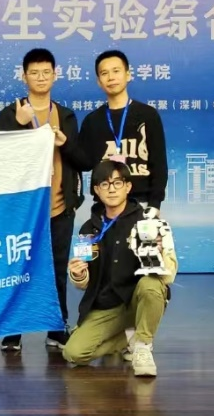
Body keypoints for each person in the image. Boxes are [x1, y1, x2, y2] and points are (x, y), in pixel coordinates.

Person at [0, 48, 92, 352]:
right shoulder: (11, 113)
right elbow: (0, 155)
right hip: (23, 210)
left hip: (59, 206)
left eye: (46, 72)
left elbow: (83, 160)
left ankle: (56, 327)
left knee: (57, 268)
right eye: (34, 72)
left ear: (55, 75)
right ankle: (14, 331)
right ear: (23, 76)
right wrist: (20, 123)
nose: (40, 77)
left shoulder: (66, 115)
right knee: (19, 267)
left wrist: (65, 144)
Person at [62, 161, 178, 378]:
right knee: (73, 353)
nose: (112, 189)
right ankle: (128, 337)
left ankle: (143, 346)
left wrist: (160, 253)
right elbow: (85, 282)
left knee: (151, 284)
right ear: (97, 190)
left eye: (117, 182)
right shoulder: (89, 228)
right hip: (106, 305)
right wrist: (78, 273)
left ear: (128, 186)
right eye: (105, 184)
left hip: (136, 300)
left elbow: (169, 274)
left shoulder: (147, 222)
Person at [76, 50, 169, 210]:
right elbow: (84, 163)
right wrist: (65, 144)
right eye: (104, 73)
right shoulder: (92, 120)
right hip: (104, 205)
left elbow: (159, 163)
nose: (111, 77)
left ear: (128, 75)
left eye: (116, 71)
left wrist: (155, 204)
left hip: (141, 202)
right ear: (99, 81)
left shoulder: (148, 115)